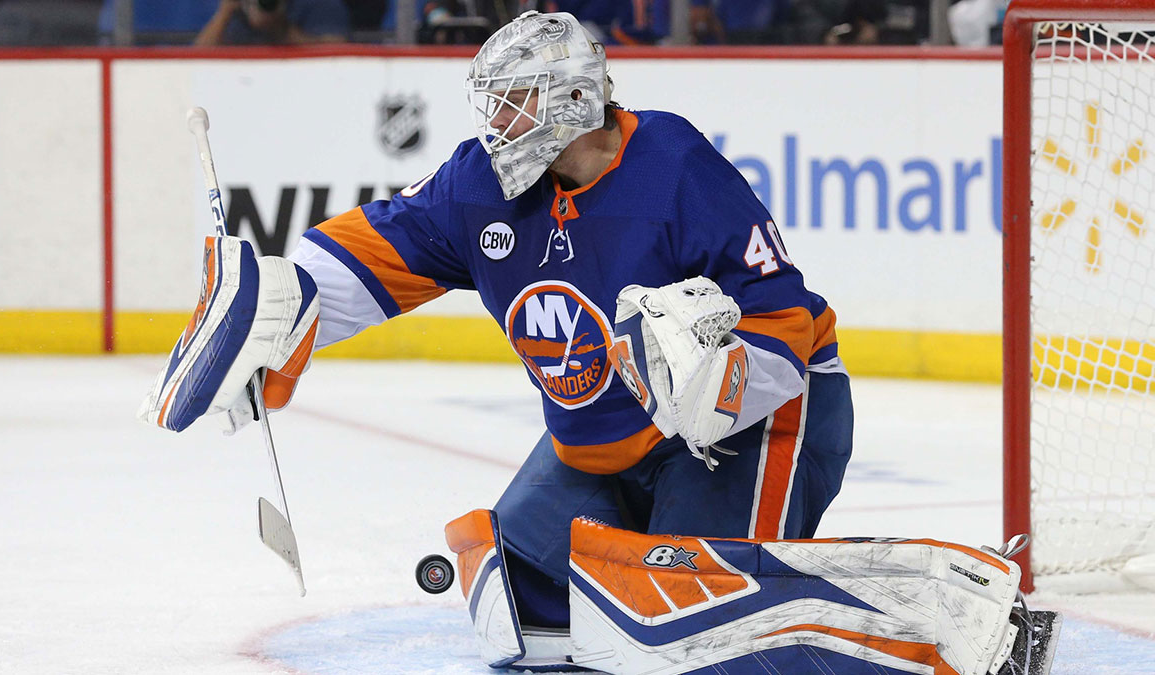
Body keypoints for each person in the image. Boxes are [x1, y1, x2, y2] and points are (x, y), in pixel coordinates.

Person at [140, 11, 1047, 674]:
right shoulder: (477, 188)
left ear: (575, 100)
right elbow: (368, 260)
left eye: (518, 104)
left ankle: (964, 625)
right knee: (525, 601)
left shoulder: (678, 167)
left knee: (699, 628)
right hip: (607, 438)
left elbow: (785, 319)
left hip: (758, 423)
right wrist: (281, 306)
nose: (498, 126)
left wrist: (717, 384)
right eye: (494, 105)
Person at [194, 0, 350, 46]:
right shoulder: (239, 8)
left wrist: (278, 29)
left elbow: (338, 57)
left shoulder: (320, 5)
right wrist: (224, 14)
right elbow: (194, 64)